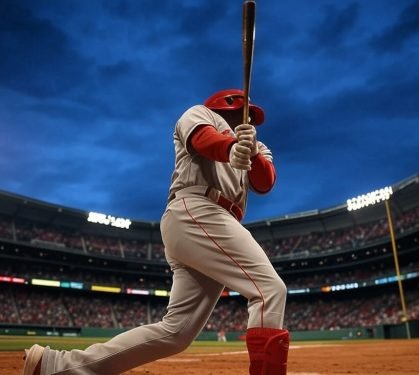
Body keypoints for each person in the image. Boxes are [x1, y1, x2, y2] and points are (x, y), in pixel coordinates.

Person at [22, 88, 290, 375]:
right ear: (228, 106)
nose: (248, 119)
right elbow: (203, 140)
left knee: (176, 333)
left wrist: (250, 152)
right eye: (244, 112)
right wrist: (230, 147)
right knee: (269, 290)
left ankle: (55, 366)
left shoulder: (256, 144)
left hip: (211, 224)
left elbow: (265, 182)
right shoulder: (201, 114)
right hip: (198, 208)